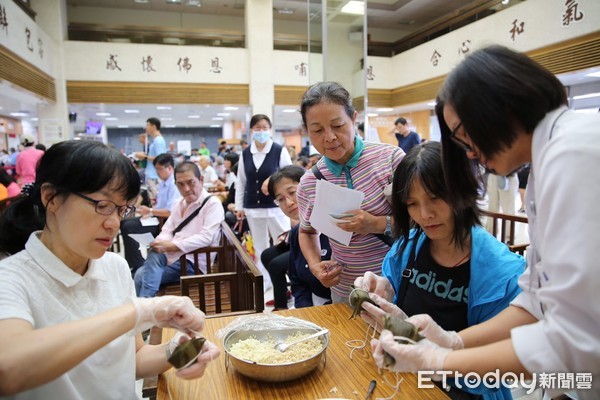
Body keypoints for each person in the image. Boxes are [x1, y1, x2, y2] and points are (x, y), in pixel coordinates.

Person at [370, 45, 600, 400]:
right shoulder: (545, 163)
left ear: (504, 105)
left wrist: (438, 360)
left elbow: (575, 338)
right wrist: (453, 341)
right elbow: (536, 302)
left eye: (464, 134)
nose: (470, 152)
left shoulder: (573, 153)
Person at [0, 140, 219, 399]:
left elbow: (134, 357)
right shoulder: (11, 278)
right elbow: (10, 369)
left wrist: (180, 350)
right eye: (102, 206)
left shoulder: (114, 266)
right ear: (52, 198)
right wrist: (139, 311)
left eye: (122, 209)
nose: (114, 223)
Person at [356, 141, 525, 400]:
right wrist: (384, 288)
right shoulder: (409, 246)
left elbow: (498, 371)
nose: (425, 215)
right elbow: (394, 289)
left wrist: (438, 359)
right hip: (406, 382)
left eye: (435, 198)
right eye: (412, 203)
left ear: (463, 191)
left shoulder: (502, 274)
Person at [296, 82, 405, 304]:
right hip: (346, 288)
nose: (329, 137)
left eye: (337, 125)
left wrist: (375, 223)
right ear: (307, 131)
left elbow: (422, 222)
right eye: (317, 130)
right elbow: (307, 232)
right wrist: (316, 266)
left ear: (353, 118)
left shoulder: (391, 160)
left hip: (397, 281)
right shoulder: (309, 183)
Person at [135, 161, 224, 298]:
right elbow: (168, 229)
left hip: (192, 262)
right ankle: (146, 307)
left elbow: (206, 238)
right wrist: (160, 243)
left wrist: (172, 246)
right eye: (180, 184)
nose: (186, 189)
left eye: (191, 182)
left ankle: (144, 307)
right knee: (149, 260)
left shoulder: (212, 204)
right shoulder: (179, 203)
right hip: (172, 257)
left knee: (141, 275)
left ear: (201, 180)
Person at [234, 114, 292, 292]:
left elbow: (290, 174)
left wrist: (273, 179)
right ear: (251, 130)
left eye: (265, 128)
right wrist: (239, 206)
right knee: (259, 247)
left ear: (270, 130)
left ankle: (287, 280)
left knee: (282, 244)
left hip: (276, 208)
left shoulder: (278, 150)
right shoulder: (245, 153)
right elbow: (241, 181)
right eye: (257, 128)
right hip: (253, 208)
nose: (261, 131)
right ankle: (265, 281)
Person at [268, 165, 332, 309]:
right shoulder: (297, 232)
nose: (289, 203)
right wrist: (306, 310)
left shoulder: (335, 226)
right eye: (281, 199)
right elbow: (297, 281)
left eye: (292, 192)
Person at [120, 153, 181, 275]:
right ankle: (133, 263)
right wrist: (151, 211)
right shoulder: (163, 183)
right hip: (157, 218)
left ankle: (138, 265)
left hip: (166, 223)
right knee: (124, 223)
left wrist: (151, 211)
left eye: (160, 169)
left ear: (169, 168)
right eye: (156, 169)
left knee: (129, 227)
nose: (157, 172)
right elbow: (160, 206)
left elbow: (169, 212)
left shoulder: (173, 184)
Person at [135, 117, 167, 204]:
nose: (146, 127)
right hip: (152, 175)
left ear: (153, 126)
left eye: (148, 125)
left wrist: (144, 157)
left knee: (156, 201)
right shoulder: (155, 140)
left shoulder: (158, 140)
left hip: (154, 176)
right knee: (153, 201)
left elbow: (160, 158)